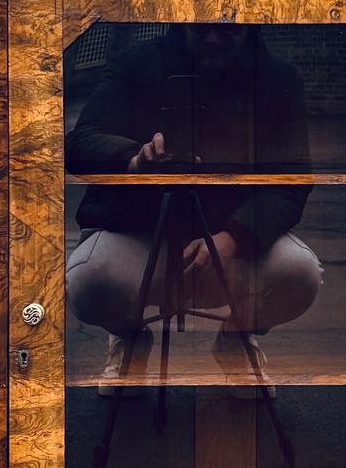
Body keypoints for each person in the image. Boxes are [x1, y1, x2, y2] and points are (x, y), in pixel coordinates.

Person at [65, 25, 323, 390]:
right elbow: (80, 143)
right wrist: (134, 160)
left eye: (228, 33)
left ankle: (237, 338)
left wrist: (233, 237)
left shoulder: (277, 79)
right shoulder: (136, 63)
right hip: (138, 233)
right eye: (204, 31)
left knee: (301, 274)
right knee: (88, 282)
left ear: (250, 28)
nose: (215, 40)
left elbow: (292, 182)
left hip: (228, 243)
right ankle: (129, 336)